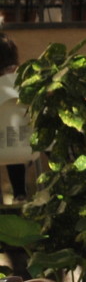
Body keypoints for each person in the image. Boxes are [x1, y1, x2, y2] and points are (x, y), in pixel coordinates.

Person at [0, 34, 27, 200]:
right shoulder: (27, 80)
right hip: (28, 146)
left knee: (6, 137)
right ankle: (20, 193)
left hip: (4, 146)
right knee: (12, 136)